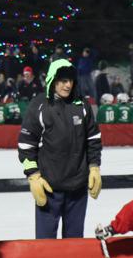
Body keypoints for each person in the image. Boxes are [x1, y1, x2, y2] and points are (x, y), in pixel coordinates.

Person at [17, 58, 103, 239]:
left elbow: (93, 139)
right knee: (45, 244)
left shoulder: (82, 105)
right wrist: (33, 176)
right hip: (48, 187)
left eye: (71, 80)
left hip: (78, 188)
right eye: (63, 81)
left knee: (74, 244)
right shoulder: (39, 105)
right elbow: (26, 144)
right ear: (52, 80)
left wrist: (94, 166)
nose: (68, 85)